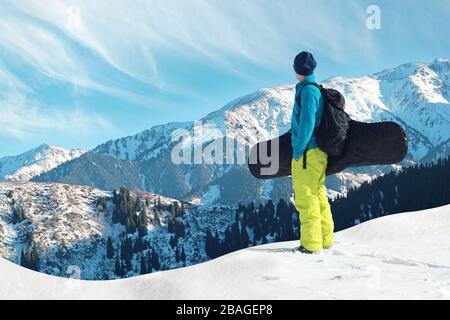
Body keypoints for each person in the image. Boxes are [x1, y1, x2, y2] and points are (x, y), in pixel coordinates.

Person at [291, 51, 334, 254]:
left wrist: (298, 150)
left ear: (297, 70)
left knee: (305, 198)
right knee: (318, 196)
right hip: (319, 153)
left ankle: (310, 245)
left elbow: (307, 123)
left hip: (308, 153)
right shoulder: (314, 88)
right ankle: (325, 240)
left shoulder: (308, 91)